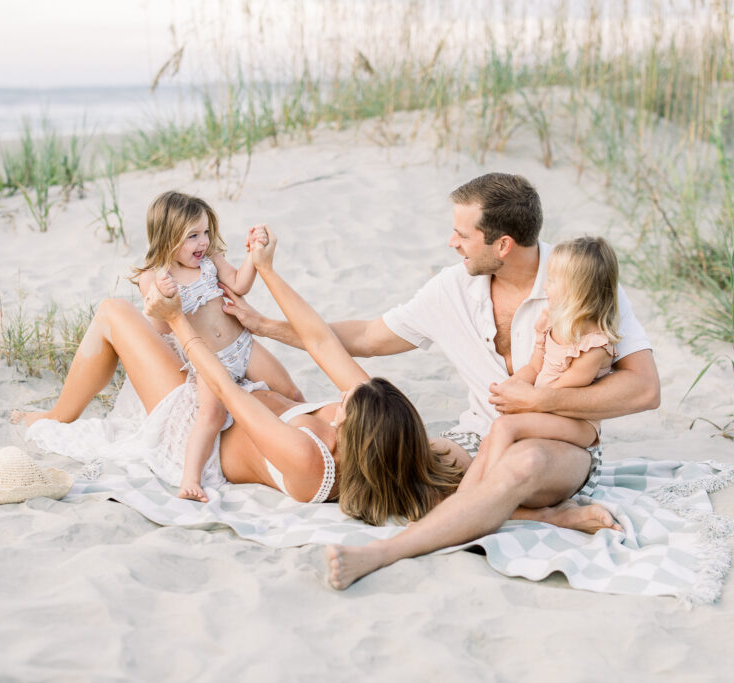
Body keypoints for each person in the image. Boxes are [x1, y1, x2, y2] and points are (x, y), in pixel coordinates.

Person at [219, 173, 659, 588]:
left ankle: (385, 553)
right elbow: (369, 336)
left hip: (561, 446)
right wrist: (265, 325)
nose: (452, 243)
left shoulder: (580, 282)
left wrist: (536, 400)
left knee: (521, 465)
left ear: (502, 244)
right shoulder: (452, 289)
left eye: (463, 235)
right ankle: (542, 517)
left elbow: (644, 389)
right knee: (400, 464)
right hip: (475, 437)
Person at [12, 226, 465, 524]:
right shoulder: (387, 433)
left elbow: (225, 391)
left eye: (347, 404)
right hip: (233, 395)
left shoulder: (310, 462)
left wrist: (175, 320)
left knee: (113, 313)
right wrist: (265, 274)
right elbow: (322, 341)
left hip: (194, 424)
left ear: (357, 433)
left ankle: (58, 415)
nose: (343, 398)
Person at [128, 191, 301, 502]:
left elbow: (239, 283)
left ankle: (301, 437)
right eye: (193, 236)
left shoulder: (209, 261)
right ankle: (190, 478)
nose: (203, 242)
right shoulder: (155, 277)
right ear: (167, 238)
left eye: (205, 232)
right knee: (211, 416)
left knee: (290, 391)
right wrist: (164, 295)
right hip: (209, 361)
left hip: (243, 346)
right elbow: (162, 328)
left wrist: (253, 254)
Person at [470, 235, 622, 480]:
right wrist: (515, 384)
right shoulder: (550, 321)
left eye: (552, 281)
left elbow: (562, 390)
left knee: (504, 427)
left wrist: (525, 401)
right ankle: (466, 498)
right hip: (544, 407)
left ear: (577, 290)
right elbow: (534, 366)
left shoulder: (594, 345)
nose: (545, 286)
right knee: (489, 441)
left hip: (576, 422)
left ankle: (487, 490)